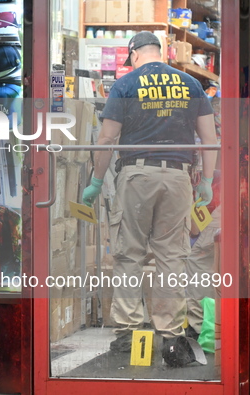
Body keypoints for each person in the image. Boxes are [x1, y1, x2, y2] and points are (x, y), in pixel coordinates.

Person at [81, 32, 218, 365]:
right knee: (172, 257)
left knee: (130, 253)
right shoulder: (191, 84)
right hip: (178, 177)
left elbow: (108, 137)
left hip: (136, 175)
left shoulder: (126, 85)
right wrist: (208, 180)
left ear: (134, 55)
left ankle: (129, 334)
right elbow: (209, 136)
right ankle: (171, 337)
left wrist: (97, 179)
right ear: (160, 52)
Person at [186, 170, 221, 341]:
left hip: (213, 208)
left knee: (198, 263)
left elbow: (194, 229)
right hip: (224, 201)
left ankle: (200, 327)